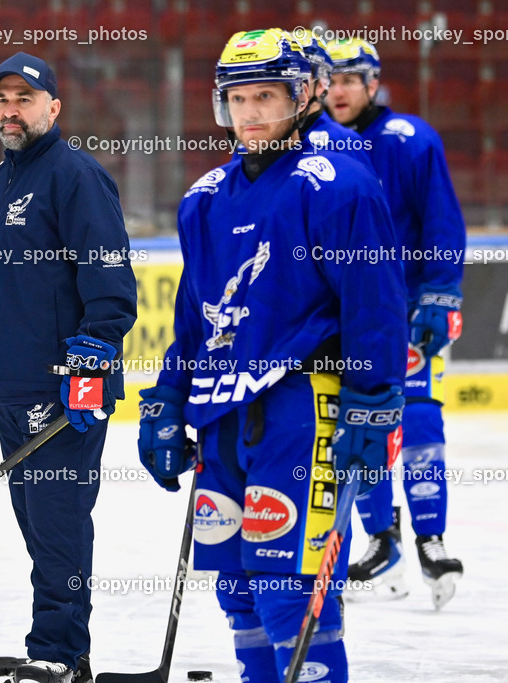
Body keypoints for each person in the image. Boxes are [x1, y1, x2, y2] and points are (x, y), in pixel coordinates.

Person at [136, 29, 406, 682]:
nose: (252, 112)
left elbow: (374, 302)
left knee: (291, 588)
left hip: (303, 408)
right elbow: (196, 317)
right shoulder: (203, 198)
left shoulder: (338, 183)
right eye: (240, 97)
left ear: (307, 94)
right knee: (237, 588)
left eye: (268, 95)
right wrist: (169, 397)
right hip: (224, 414)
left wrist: (372, 406)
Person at [0, 52, 136, 683]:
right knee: (34, 522)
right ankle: (57, 644)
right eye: (2, 100)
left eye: (25, 98)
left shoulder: (75, 176)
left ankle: (58, 650)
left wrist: (95, 351)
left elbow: (109, 279)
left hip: (64, 391)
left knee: (57, 526)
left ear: (54, 107)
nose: (10, 110)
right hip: (15, 386)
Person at [325, 37, 466, 609]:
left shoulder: (410, 140)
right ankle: (382, 541)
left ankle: (431, 539)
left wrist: (440, 293)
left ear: (372, 84)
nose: (337, 90)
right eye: (329, 80)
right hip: (344, 314)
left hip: (402, 308)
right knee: (356, 422)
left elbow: (441, 219)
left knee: (420, 416)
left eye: (349, 79)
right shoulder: (316, 147)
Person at [292, 30, 373, 168]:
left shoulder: (344, 142)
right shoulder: (257, 141)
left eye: (299, 77)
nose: (338, 93)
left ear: (321, 84)